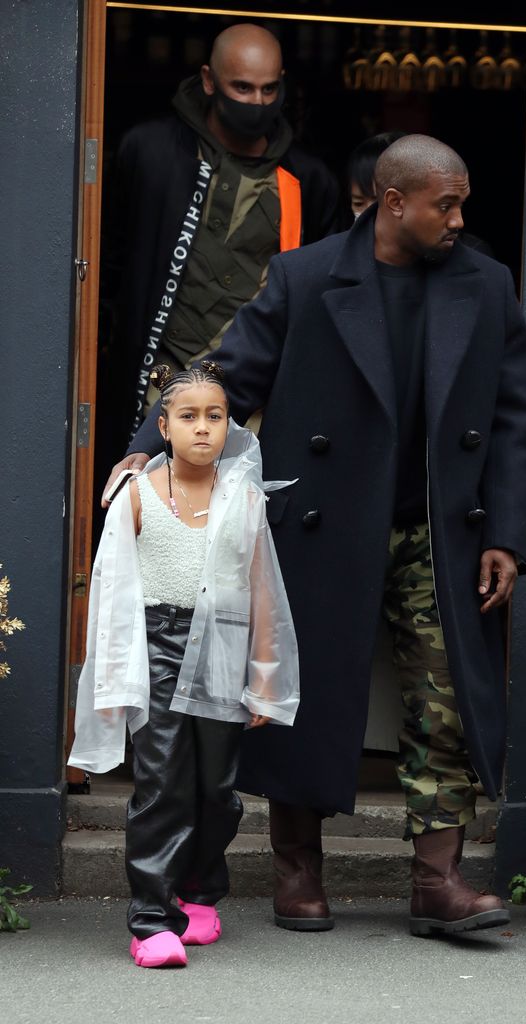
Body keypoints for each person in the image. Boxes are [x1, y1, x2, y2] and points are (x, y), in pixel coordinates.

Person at [105, 134, 526, 939]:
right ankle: (299, 868)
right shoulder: (307, 277)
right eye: (445, 202)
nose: (458, 217)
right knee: (303, 694)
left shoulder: (485, 283)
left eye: (462, 201)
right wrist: (148, 447)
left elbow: (513, 417)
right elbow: (228, 375)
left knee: (443, 701)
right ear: (391, 201)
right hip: (325, 521)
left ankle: (437, 880)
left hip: (438, 529)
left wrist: (506, 534)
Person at [71, 361, 299, 967]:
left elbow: (262, 592)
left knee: (217, 789)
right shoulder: (136, 494)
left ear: (231, 426)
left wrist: (264, 678)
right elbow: (112, 592)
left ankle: (198, 895)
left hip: (224, 648)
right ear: (164, 428)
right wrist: (117, 675)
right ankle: (151, 920)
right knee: (163, 784)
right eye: (188, 416)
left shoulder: (244, 496)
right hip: (157, 648)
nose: (203, 428)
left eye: (215, 416)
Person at [99, 22, 339, 448]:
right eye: (243, 88)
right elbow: (111, 263)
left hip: (252, 397)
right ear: (209, 80)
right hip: (159, 381)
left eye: (269, 90)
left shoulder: (308, 179)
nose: (258, 102)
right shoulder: (152, 152)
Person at [348, 131, 494, 257]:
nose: (367, 213)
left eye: (376, 202)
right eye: (358, 203)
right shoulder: (336, 257)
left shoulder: (475, 260)